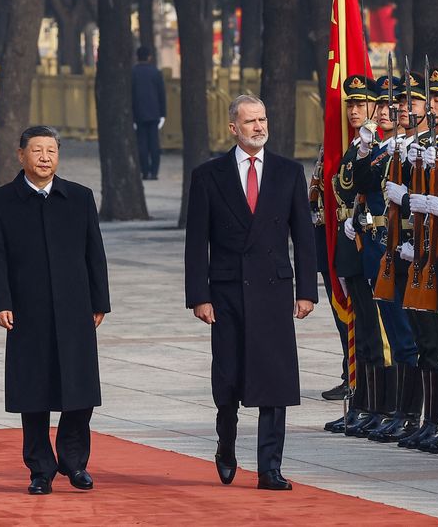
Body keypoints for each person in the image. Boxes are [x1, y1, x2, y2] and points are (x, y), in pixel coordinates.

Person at [184, 94, 318, 491]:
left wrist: (307, 290)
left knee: (274, 380)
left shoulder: (288, 172)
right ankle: (226, 444)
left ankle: (269, 468)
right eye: (250, 122)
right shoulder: (209, 176)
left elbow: (304, 237)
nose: (259, 127)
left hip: (274, 289)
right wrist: (199, 295)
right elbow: (196, 243)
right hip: (227, 293)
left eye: (262, 119)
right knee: (228, 380)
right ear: (233, 128)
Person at [0, 125, 110, 495]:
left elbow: (94, 254)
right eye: (36, 150)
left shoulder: (80, 198)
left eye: (51, 150)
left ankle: (74, 463)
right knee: (33, 391)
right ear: (21, 155)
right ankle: (40, 469)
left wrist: (100, 301)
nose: (44, 157)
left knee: (79, 390)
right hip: (26, 310)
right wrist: (1, 302)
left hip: (75, 307)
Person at [131, 45, 166, 180]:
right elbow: (161, 94)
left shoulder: (133, 72)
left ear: (137, 57)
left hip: (138, 113)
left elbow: (131, 95)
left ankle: (144, 172)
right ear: (149, 57)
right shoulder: (156, 72)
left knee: (142, 144)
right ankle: (154, 172)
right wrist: (163, 113)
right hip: (154, 113)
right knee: (154, 144)